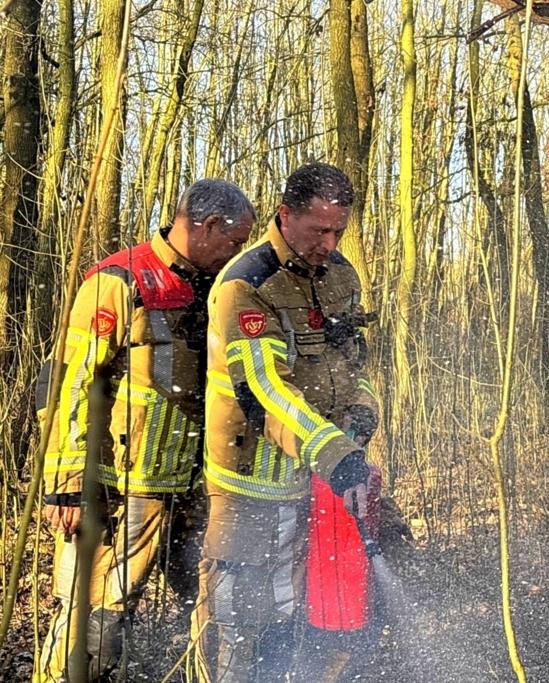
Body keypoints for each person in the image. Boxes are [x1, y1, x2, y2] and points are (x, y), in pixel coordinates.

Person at [35, 180, 256, 683]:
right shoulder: (120, 280)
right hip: (123, 486)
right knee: (94, 621)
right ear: (208, 226)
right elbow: (69, 381)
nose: (236, 253)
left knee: (211, 612)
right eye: (233, 241)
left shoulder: (222, 287)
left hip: (198, 483)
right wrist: (70, 483)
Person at [192, 162, 379, 682]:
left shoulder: (340, 275)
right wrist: (336, 453)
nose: (329, 241)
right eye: (319, 229)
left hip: (315, 476)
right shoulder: (247, 285)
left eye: (338, 229)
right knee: (237, 617)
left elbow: (353, 365)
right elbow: (263, 389)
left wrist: (363, 414)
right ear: (285, 216)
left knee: (296, 612)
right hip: (251, 478)